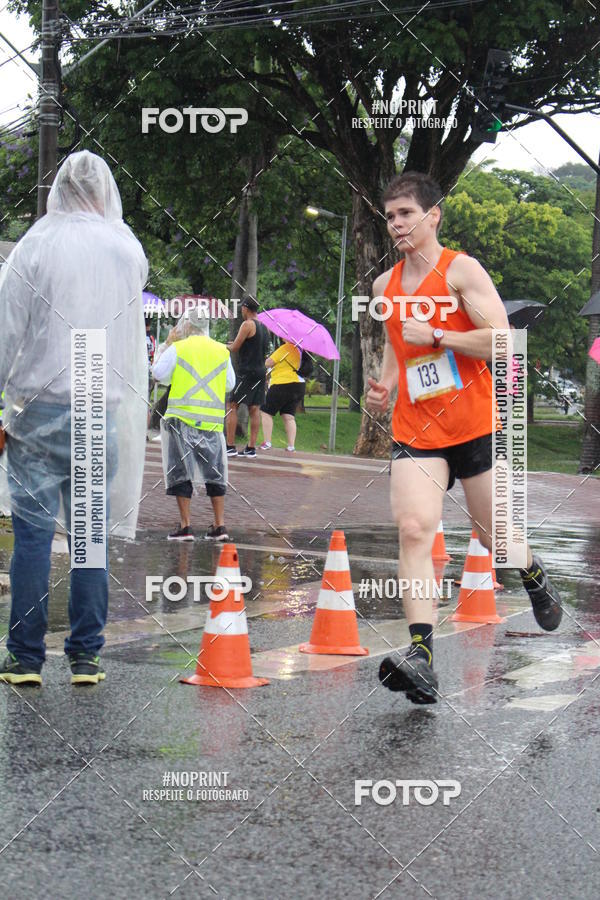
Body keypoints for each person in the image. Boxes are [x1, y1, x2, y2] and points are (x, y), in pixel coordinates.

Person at [365, 171, 562, 705]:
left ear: (433, 216)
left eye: (406, 213)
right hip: (416, 431)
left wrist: (439, 334)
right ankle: (421, 655)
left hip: (474, 426)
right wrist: (383, 388)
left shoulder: (461, 271)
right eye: (390, 216)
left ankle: (533, 570)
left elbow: (504, 344)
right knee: (413, 529)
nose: (397, 224)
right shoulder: (384, 287)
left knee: (494, 539)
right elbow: (394, 350)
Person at [0, 150, 148, 686]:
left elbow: (6, 332)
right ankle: (86, 656)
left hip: (37, 409)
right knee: (89, 537)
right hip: (98, 408)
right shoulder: (127, 250)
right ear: (105, 191)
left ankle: (25, 658)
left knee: (34, 537)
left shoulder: (35, 245)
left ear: (58, 188)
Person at [152, 308, 235, 541]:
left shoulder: (178, 348)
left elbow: (159, 373)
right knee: (215, 473)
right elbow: (230, 383)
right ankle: (219, 525)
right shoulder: (222, 351)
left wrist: (167, 343)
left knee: (181, 472)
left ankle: (185, 525)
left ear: (186, 327)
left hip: (181, 420)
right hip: (211, 423)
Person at [226, 296, 270, 457]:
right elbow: (256, 346)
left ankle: (230, 446)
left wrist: (225, 346)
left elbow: (235, 347)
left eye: (242, 308)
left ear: (245, 308)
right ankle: (251, 448)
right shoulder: (264, 327)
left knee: (232, 405)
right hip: (260, 370)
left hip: (246, 371)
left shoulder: (247, 324)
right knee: (255, 408)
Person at [260, 340, 306, 452]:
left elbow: (268, 363)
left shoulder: (287, 348)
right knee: (289, 416)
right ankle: (291, 446)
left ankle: (267, 442)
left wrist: (267, 358)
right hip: (298, 385)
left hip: (282, 383)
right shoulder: (301, 351)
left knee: (266, 412)